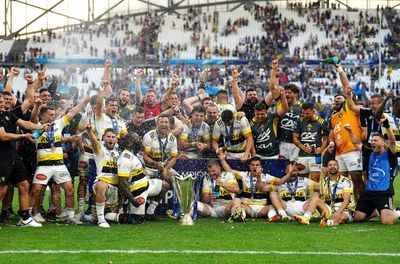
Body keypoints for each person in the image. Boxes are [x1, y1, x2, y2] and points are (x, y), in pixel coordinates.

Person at [30, 96, 90, 224]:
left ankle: (71, 215)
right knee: (36, 190)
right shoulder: (36, 126)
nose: (53, 116)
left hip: (59, 165)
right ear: (43, 115)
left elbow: (72, 112)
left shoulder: (58, 123)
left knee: (69, 189)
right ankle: (35, 214)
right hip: (43, 165)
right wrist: (37, 106)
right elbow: (34, 116)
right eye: (51, 114)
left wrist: (84, 101)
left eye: (54, 114)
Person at [0, 94, 47, 227]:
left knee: (24, 184)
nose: (2, 104)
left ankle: (25, 218)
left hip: (13, 155)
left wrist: (41, 126)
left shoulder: (7, 114)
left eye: (3, 101)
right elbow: (3, 136)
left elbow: (24, 123)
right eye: (0, 102)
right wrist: (23, 136)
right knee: (2, 189)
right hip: (2, 157)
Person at [345, 121, 400, 225]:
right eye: (372, 141)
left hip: (384, 193)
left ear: (383, 143)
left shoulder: (389, 154)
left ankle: (397, 212)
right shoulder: (369, 152)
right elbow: (356, 143)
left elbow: (392, 142)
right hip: (369, 192)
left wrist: (387, 127)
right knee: (358, 217)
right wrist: (350, 131)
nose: (373, 142)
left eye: (376, 141)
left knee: (387, 222)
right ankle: (375, 212)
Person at [220, 156, 292, 219]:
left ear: (261, 167)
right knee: (240, 207)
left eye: (257, 165)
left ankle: (275, 218)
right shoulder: (244, 175)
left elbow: (281, 181)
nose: (255, 167)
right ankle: (241, 217)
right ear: (249, 166)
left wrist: (289, 174)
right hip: (247, 206)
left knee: (273, 208)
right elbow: (229, 170)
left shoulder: (266, 177)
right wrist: (222, 160)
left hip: (261, 207)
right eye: (253, 165)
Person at [86, 123, 121, 228]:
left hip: (116, 185)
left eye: (113, 137)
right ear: (104, 139)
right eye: (108, 137)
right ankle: (101, 220)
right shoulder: (100, 150)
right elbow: (95, 143)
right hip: (103, 182)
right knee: (101, 185)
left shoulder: (120, 153)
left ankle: (95, 216)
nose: (111, 139)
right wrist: (89, 132)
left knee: (113, 216)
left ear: (116, 140)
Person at [293, 102, 329, 181]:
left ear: (313, 111)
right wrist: (303, 147)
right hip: (302, 155)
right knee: (301, 180)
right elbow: (295, 138)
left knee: (315, 179)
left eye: (307, 114)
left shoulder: (322, 122)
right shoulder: (299, 121)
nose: (305, 116)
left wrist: (321, 149)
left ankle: (316, 194)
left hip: (316, 156)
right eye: (303, 113)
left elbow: (326, 139)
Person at [251, 87, 288, 159]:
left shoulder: (272, 118)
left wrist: (283, 95)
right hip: (258, 155)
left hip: (273, 155)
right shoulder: (251, 123)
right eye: (257, 114)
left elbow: (285, 110)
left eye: (262, 114)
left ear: (266, 112)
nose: (260, 116)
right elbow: (250, 140)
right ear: (254, 113)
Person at [319, 159, 355, 227]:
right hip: (330, 209)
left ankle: (328, 223)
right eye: (330, 165)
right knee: (315, 199)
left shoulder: (346, 181)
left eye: (334, 165)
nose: (332, 166)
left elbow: (346, 200)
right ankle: (306, 217)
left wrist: (338, 211)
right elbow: (322, 199)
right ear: (327, 168)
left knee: (340, 217)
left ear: (338, 167)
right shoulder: (322, 182)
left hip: (345, 209)